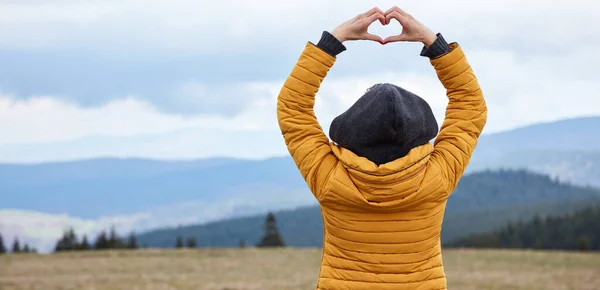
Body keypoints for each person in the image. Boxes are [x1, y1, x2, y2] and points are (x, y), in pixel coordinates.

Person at [276, 6, 487, 290]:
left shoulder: (329, 178)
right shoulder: (437, 178)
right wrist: (432, 42)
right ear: (421, 130)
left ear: (347, 131)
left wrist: (332, 42)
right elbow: (470, 105)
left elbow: (292, 107)